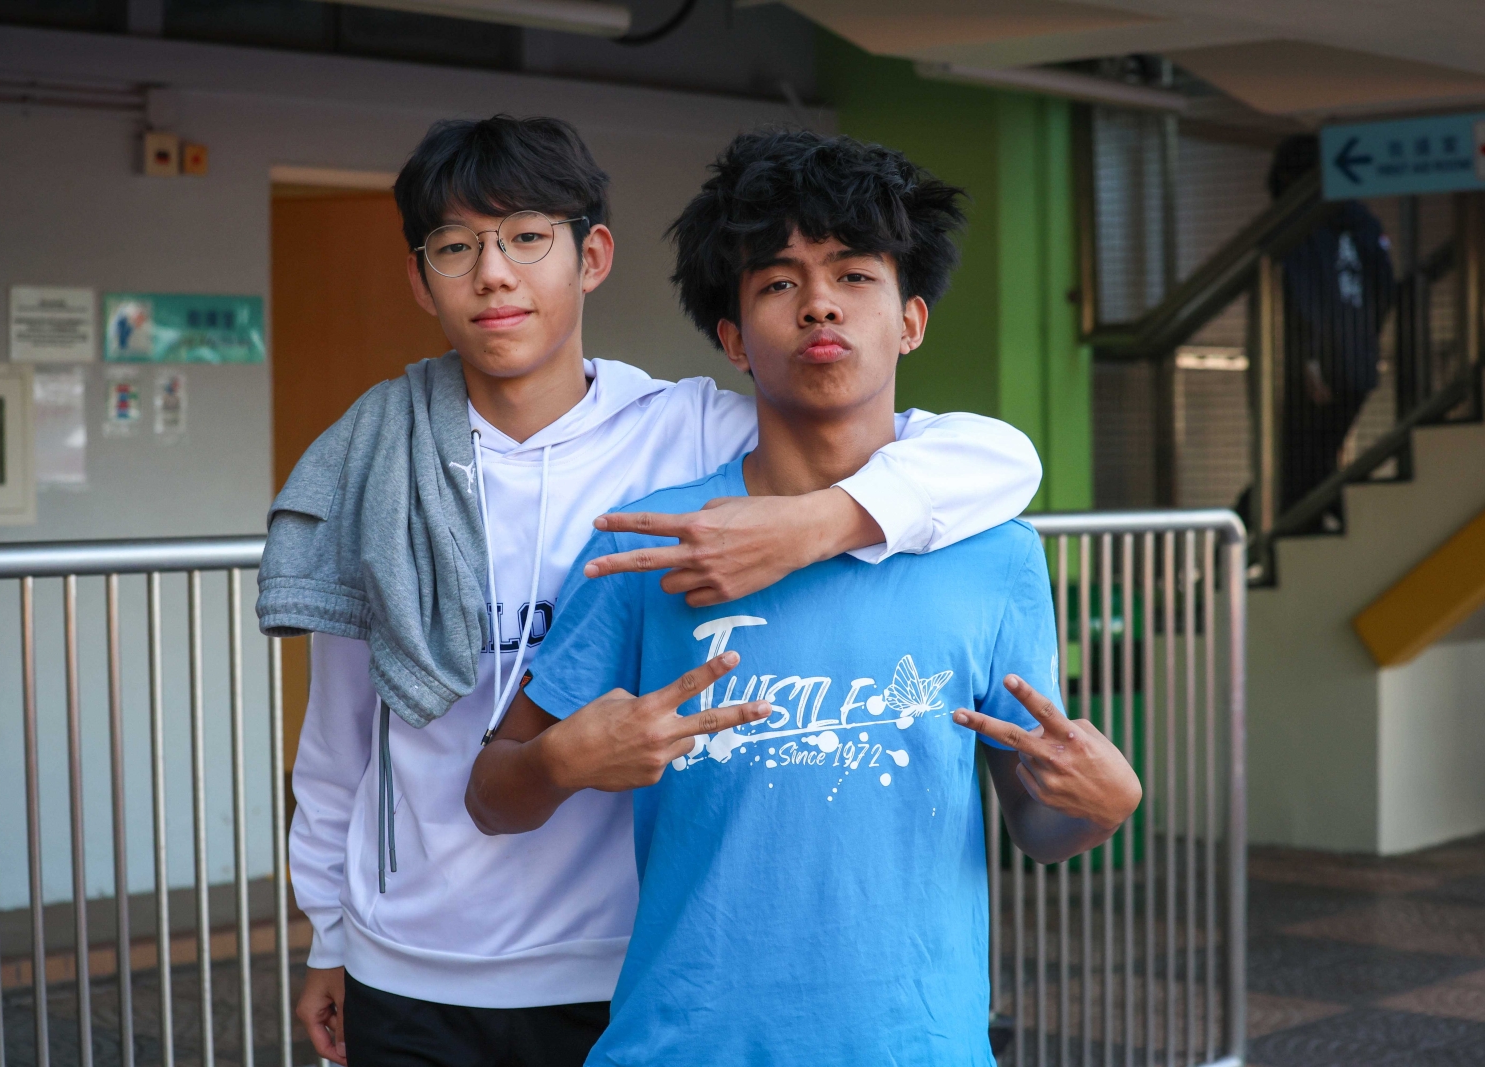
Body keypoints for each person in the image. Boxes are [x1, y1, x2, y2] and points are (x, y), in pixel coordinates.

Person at [260, 116, 1046, 1066]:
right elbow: (341, 731)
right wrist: (331, 933)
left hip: (617, 956)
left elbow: (994, 458)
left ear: (591, 256)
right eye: (456, 247)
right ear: (421, 279)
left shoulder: (686, 429)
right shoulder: (380, 464)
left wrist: (817, 521)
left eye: (526, 238)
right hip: (414, 955)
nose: (494, 274)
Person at [466, 129, 1143, 1066]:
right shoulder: (653, 542)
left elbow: (1037, 819)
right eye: (779, 282)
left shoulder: (994, 553)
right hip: (684, 1045)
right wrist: (561, 761)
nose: (820, 301)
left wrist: (1099, 807)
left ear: (911, 320)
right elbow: (493, 794)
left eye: (855, 275)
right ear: (733, 339)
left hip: (918, 1047)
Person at [1269, 133, 1396, 530]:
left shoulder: (1300, 224)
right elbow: (1385, 288)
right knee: (1316, 458)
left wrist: (1310, 360)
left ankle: (1343, 527)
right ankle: (1339, 527)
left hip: (1318, 368)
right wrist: (1364, 338)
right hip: (1357, 364)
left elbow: (1302, 296)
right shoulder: (1362, 221)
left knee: (1300, 463)